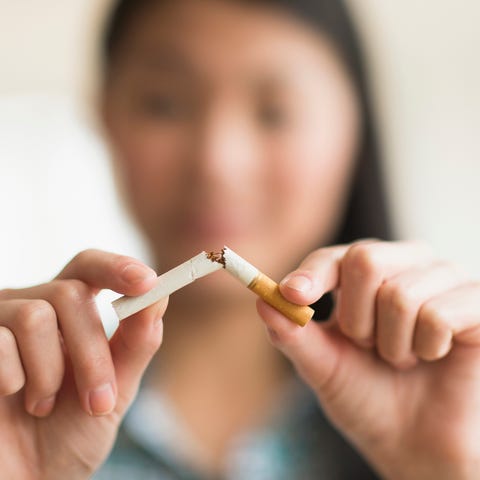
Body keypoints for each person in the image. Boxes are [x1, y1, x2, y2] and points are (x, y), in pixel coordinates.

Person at [0, 0, 479, 478]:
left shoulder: (438, 415)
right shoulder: (35, 409)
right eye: (164, 103)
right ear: (103, 113)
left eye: (275, 113)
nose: (217, 163)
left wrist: (442, 467)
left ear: (354, 125)